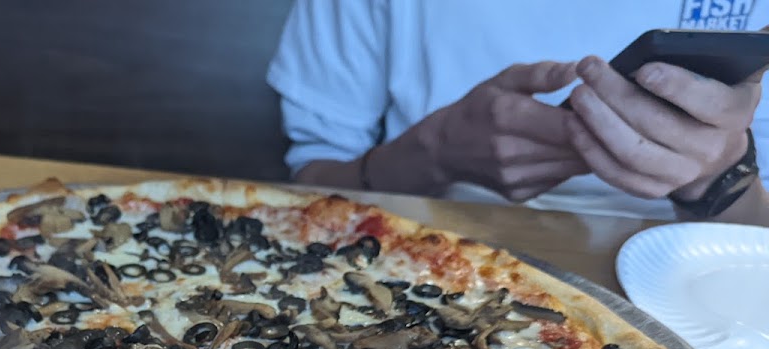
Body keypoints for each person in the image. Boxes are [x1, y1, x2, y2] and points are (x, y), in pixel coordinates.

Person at [268, 0, 769, 224]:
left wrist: (717, 178)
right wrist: (433, 154)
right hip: (426, 245)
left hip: (674, 278)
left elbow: (756, 239)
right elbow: (310, 188)